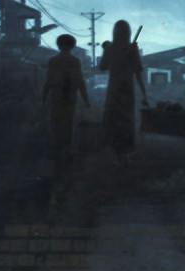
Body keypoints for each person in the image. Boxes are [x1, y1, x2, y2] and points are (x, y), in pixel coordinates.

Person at [99, 20, 146, 165]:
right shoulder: (132, 49)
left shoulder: (110, 48)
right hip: (127, 89)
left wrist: (107, 49)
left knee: (112, 118)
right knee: (126, 120)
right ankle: (124, 154)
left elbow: (102, 67)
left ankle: (114, 151)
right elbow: (138, 72)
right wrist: (144, 93)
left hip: (113, 89)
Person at [40, 33, 88, 173]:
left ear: (58, 45)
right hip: (70, 97)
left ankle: (56, 154)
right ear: (72, 45)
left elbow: (48, 81)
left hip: (56, 96)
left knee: (55, 125)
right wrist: (86, 99)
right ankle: (66, 153)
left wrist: (43, 97)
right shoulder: (75, 61)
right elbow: (80, 81)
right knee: (68, 125)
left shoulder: (53, 61)